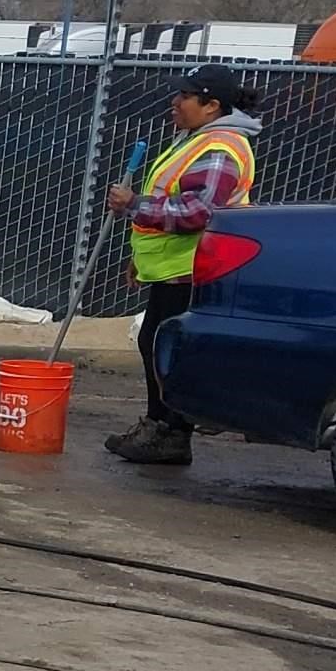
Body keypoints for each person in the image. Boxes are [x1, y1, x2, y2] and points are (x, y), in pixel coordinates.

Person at [103, 62, 262, 465]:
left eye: (184, 96)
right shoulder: (195, 139)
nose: (175, 102)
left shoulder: (219, 147)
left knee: (167, 350)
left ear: (210, 105)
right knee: (157, 346)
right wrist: (141, 259)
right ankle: (162, 426)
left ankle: (170, 432)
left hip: (192, 269)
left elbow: (200, 209)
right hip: (172, 267)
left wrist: (135, 204)